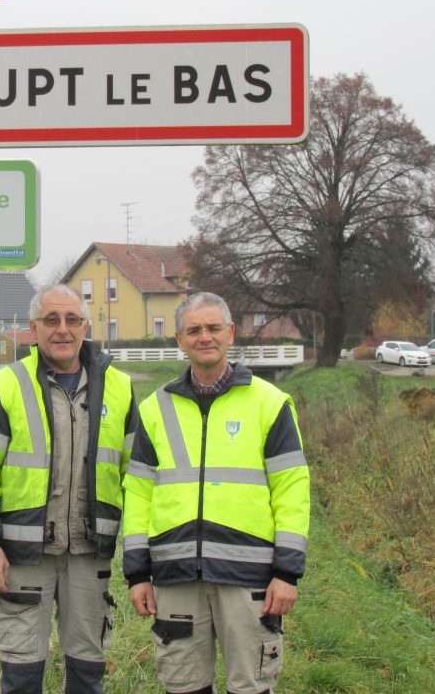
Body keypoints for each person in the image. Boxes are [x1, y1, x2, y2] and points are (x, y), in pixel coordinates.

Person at [122, 292, 310, 694]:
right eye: (193, 330)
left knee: (251, 687)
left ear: (230, 332)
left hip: (250, 578)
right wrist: (138, 572)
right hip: (175, 577)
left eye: (212, 328)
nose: (203, 337)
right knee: (184, 687)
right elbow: (138, 494)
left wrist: (287, 572)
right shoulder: (156, 408)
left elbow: (292, 490)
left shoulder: (270, 403)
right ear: (178, 339)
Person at [0, 284, 138, 694]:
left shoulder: (120, 388)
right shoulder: (6, 384)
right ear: (34, 328)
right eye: (51, 320)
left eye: (72, 320)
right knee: (21, 672)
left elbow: (138, 478)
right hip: (23, 553)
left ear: (85, 326)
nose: (62, 329)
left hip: (88, 552)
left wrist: (139, 551)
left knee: (87, 670)